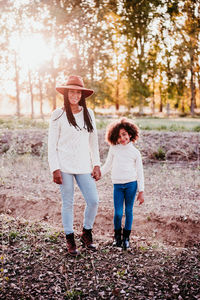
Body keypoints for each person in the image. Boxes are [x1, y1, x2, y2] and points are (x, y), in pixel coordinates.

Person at [48, 75, 101, 256]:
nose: (75, 95)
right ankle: (70, 239)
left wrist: (96, 164)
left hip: (84, 165)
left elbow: (93, 142)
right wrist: (54, 168)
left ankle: (86, 233)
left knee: (93, 200)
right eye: (72, 91)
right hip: (64, 165)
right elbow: (51, 144)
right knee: (68, 203)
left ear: (82, 95)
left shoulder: (89, 114)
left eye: (78, 92)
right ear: (66, 93)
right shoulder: (58, 114)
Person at [101, 118, 144, 250]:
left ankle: (126, 239)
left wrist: (141, 191)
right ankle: (117, 238)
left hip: (131, 185)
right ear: (115, 137)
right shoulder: (114, 149)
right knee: (118, 213)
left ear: (130, 134)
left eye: (124, 134)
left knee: (129, 211)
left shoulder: (135, 153)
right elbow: (107, 165)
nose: (122, 138)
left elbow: (140, 172)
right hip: (118, 185)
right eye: (119, 136)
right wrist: (98, 174)